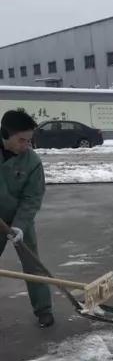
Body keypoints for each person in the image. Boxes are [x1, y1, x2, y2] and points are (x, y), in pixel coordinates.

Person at [0, 110, 54, 328]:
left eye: (29, 140)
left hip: (20, 219)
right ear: (5, 134)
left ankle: (44, 309)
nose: (26, 145)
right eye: (21, 140)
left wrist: (20, 226)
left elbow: (32, 197)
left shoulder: (32, 161)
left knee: (33, 264)